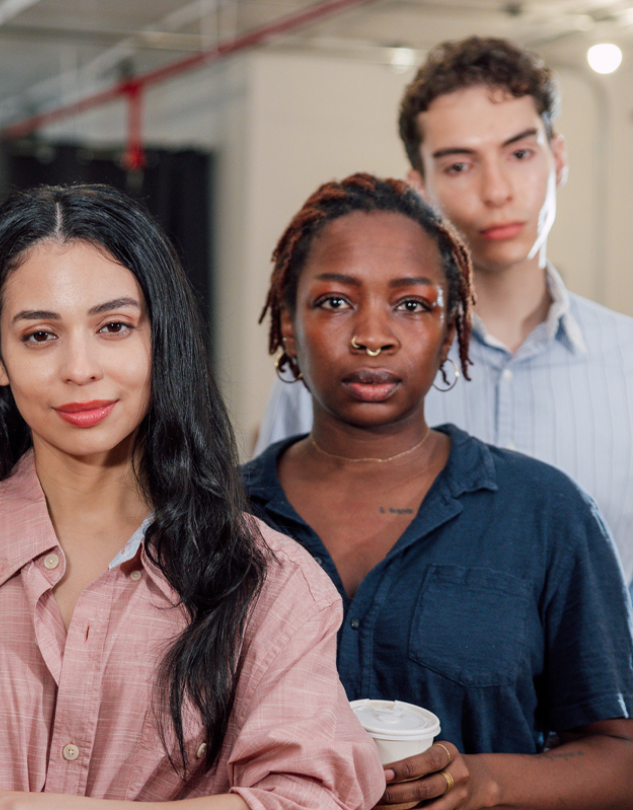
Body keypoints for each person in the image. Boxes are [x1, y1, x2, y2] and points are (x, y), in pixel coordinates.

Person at [0, 184, 383, 810]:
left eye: (114, 327)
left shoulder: (273, 581)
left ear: (161, 340)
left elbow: (306, 802)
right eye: (40, 335)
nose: (80, 367)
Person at [242, 173, 633, 809]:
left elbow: (621, 759)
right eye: (336, 302)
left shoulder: (543, 512)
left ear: (452, 329)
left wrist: (483, 782)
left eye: (412, 304)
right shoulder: (214, 518)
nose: (373, 334)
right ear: (287, 326)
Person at [254, 36, 633, 595]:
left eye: (520, 154)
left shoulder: (627, 364)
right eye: (459, 165)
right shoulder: (344, 368)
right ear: (419, 189)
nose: (497, 190)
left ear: (557, 159)